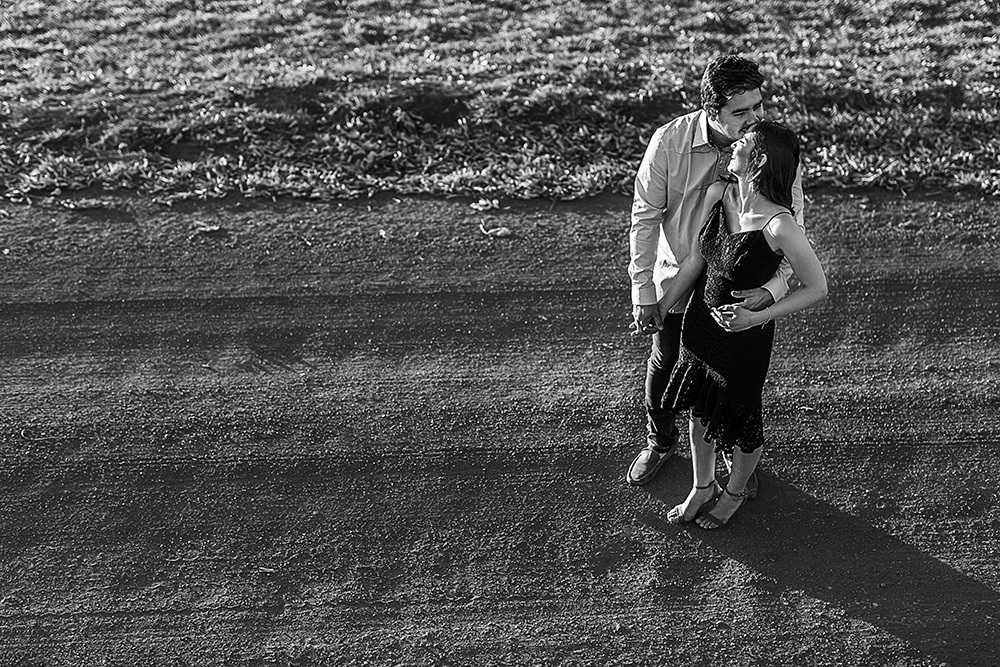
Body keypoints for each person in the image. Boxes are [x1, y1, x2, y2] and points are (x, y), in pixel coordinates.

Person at [625, 54, 805, 487]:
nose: (753, 119)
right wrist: (643, 290)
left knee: (729, 377)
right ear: (711, 110)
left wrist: (774, 288)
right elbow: (645, 216)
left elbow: (793, 224)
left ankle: (730, 449)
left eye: (758, 106)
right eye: (740, 112)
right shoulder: (669, 142)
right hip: (681, 277)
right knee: (667, 360)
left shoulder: (771, 149)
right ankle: (660, 440)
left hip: (736, 287)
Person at [655, 119, 827, 528]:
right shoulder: (720, 193)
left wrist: (759, 315)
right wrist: (662, 306)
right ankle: (702, 486)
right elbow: (698, 260)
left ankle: (733, 494)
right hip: (700, 328)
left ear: (760, 159)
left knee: (742, 421)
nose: (734, 145)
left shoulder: (779, 225)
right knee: (700, 410)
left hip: (744, 338)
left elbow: (818, 287)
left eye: (743, 143)